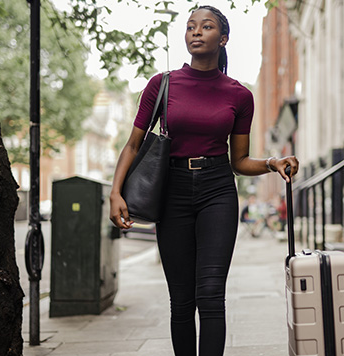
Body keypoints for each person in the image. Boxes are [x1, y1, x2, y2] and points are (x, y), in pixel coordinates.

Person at [109, 5, 299, 356]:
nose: (196, 32)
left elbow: (239, 161)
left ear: (222, 38)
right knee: (181, 300)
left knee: (211, 293)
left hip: (217, 190)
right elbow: (134, 144)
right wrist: (115, 192)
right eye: (191, 26)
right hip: (172, 192)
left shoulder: (239, 95)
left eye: (206, 27)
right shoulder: (162, 84)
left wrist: (273, 163)